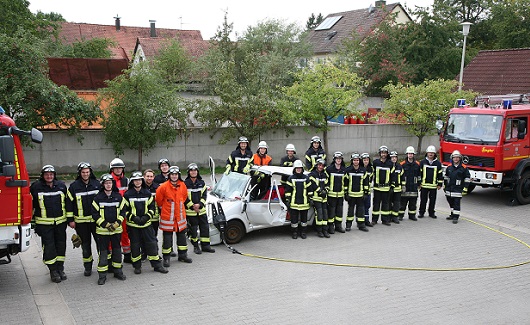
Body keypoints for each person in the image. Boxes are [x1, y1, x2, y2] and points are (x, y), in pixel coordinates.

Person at [121, 171, 168, 274]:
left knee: (151, 244)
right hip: (133, 225)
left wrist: (147, 217)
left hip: (147, 224)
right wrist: (134, 218)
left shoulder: (147, 193)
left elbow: (152, 208)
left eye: (139, 180)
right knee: (135, 246)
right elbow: (125, 210)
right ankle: (137, 266)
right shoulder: (127, 195)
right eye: (135, 180)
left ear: (142, 181)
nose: (137, 182)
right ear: (132, 182)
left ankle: (156, 265)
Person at [30, 165, 68, 283]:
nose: (49, 176)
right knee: (49, 247)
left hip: (60, 223)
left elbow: (67, 203)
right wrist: (33, 224)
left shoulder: (61, 186)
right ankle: (53, 271)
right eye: (47, 174)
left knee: (61, 245)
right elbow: (30, 206)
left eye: (51, 174)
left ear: (54, 175)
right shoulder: (36, 187)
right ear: (43, 175)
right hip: (44, 225)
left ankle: (60, 268)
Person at [66, 162, 100, 276]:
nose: (85, 174)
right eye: (83, 172)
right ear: (79, 173)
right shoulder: (74, 187)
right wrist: (70, 220)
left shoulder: (97, 184)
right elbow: (69, 204)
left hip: (96, 222)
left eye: (87, 172)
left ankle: (103, 265)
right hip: (81, 223)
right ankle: (88, 267)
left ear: (90, 172)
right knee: (85, 246)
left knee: (100, 244)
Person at [91, 174, 126, 285]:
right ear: (103, 184)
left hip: (116, 230)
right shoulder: (97, 198)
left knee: (117, 251)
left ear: (112, 184)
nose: (108, 185)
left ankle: (118, 271)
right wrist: (106, 225)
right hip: (102, 231)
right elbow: (94, 214)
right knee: (103, 253)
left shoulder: (118, 197)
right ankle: (102, 275)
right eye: (106, 183)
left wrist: (117, 223)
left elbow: (123, 211)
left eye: (110, 183)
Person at [156, 166, 192, 266]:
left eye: (176, 174)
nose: (174, 176)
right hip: (168, 218)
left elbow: (184, 198)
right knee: (167, 239)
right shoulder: (163, 187)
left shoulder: (183, 185)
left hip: (180, 218)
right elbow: (158, 200)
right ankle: (166, 258)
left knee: (182, 238)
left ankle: (183, 255)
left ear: (178, 175)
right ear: (169, 176)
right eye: (172, 174)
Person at [184, 163, 215, 254]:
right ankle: (196, 246)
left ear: (197, 172)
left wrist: (200, 205)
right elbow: (184, 197)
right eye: (191, 171)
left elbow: (204, 195)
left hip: (201, 211)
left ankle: (206, 246)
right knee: (193, 231)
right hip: (191, 212)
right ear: (189, 172)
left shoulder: (202, 183)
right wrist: (192, 206)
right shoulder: (185, 184)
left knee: (205, 228)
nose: (193, 172)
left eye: (195, 170)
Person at [109, 158, 131, 263]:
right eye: (116, 168)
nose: (118, 170)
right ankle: (112, 257)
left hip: (124, 212)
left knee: (125, 234)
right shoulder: (108, 181)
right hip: (112, 213)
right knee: (112, 235)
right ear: (112, 169)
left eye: (120, 168)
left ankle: (127, 255)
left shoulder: (126, 180)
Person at [285, 160, 312, 239]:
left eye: (300, 168)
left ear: (302, 169)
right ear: (294, 169)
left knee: (304, 220)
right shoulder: (291, 178)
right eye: (297, 168)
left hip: (304, 203)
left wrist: (310, 199)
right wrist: (288, 200)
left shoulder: (306, 178)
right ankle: (294, 232)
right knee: (294, 220)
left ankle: (303, 232)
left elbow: (310, 190)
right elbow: (288, 191)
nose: (299, 169)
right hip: (294, 203)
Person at [344, 153, 369, 232]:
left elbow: (366, 182)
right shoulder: (348, 170)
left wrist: (365, 193)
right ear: (352, 161)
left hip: (360, 195)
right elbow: (345, 183)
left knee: (360, 211)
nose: (356, 162)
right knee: (350, 211)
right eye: (354, 160)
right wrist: (346, 193)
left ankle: (361, 225)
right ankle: (348, 225)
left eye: (357, 160)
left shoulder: (363, 170)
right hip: (351, 195)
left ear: (359, 161)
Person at [444, 150, 470, 224]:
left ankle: (456, 216)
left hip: (458, 188)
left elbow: (467, 178)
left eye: (457, 157)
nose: (455, 159)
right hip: (449, 189)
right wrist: (445, 186)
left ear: (460, 158)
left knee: (456, 203)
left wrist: (465, 188)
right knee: (450, 202)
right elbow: (446, 177)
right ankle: (452, 214)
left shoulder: (464, 168)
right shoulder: (449, 167)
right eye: (454, 157)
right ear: (452, 158)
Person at [419, 145, 443, 219]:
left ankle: (431, 213)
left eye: (432, 153)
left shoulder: (438, 164)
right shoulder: (422, 162)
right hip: (424, 186)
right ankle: (421, 212)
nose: (431, 154)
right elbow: (419, 174)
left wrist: (440, 184)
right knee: (423, 200)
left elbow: (440, 175)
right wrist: (419, 183)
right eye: (429, 152)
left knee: (432, 201)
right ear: (427, 153)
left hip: (433, 186)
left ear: (434, 154)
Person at [371, 146, 394, 226]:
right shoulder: (375, 163)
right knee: (376, 204)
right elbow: (371, 174)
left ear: (387, 154)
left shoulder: (390, 164)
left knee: (385, 204)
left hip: (386, 188)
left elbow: (392, 176)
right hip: (377, 188)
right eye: (382, 153)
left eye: (385, 153)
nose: (383, 154)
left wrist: (392, 186)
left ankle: (385, 220)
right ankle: (374, 220)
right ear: (379, 153)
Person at [326, 152, 347, 233]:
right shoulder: (329, 169)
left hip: (340, 195)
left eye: (340, 159)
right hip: (331, 195)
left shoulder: (344, 170)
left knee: (339, 211)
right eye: (337, 159)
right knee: (331, 212)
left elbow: (345, 182)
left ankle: (338, 226)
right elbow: (326, 182)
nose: (338, 160)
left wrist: (345, 192)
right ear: (334, 159)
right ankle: (331, 226)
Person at [308, 159, 330, 238]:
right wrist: (320, 191)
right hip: (316, 198)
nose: (321, 167)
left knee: (325, 215)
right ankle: (319, 231)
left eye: (322, 165)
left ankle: (325, 230)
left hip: (324, 198)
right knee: (319, 214)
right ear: (317, 165)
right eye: (319, 165)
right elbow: (312, 185)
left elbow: (328, 185)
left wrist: (325, 191)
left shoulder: (325, 175)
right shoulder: (312, 174)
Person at [399, 146, 420, 221]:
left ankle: (412, 215)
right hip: (405, 186)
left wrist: (419, 184)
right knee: (402, 203)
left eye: (411, 154)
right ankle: (400, 215)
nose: (410, 155)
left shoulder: (417, 164)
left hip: (414, 187)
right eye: (409, 154)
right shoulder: (402, 164)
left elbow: (419, 175)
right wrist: (401, 185)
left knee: (413, 204)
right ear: (407, 154)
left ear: (413, 154)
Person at [389, 151, 403, 224]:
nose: (394, 159)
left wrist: (403, 186)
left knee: (396, 203)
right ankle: (389, 217)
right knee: (389, 203)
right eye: (392, 157)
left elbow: (403, 177)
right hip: (390, 189)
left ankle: (395, 217)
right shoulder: (388, 166)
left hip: (398, 189)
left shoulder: (399, 166)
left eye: (395, 157)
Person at [361, 153, 374, 228]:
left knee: (367, 206)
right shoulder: (359, 168)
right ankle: (361, 221)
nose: (366, 161)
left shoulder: (370, 169)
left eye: (367, 160)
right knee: (361, 206)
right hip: (360, 191)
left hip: (368, 191)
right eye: (364, 160)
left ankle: (366, 220)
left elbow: (371, 180)